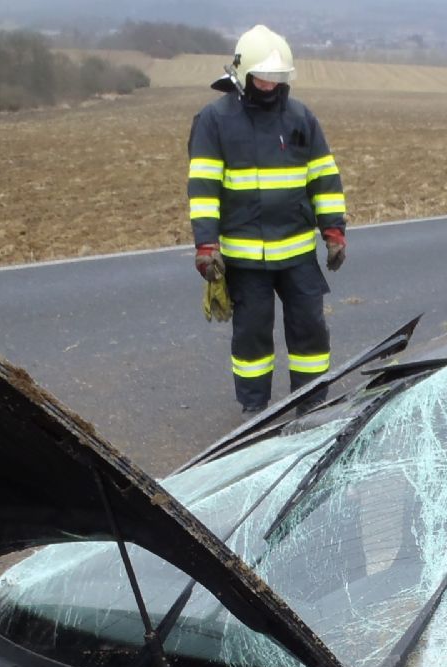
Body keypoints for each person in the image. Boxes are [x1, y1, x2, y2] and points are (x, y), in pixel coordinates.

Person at [188, 25, 347, 413]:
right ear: (242, 72)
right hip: (246, 258)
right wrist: (206, 245)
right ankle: (255, 410)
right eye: (262, 76)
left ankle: (311, 403)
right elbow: (204, 189)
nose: (270, 83)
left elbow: (324, 178)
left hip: (297, 254)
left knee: (310, 330)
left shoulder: (300, 117)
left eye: (277, 76)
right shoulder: (214, 120)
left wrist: (334, 230)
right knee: (252, 336)